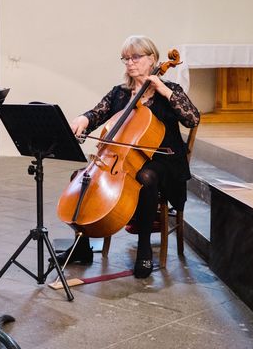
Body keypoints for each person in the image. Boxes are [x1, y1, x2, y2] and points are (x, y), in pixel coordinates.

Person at [56, 35, 200, 278]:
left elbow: (192, 118)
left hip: (164, 162)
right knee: (81, 177)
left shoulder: (170, 91)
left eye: (136, 57)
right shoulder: (120, 93)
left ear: (152, 59)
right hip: (125, 160)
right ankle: (82, 247)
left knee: (146, 176)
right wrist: (83, 119)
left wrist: (163, 89)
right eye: (126, 58)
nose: (130, 63)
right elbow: (96, 114)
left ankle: (145, 250)